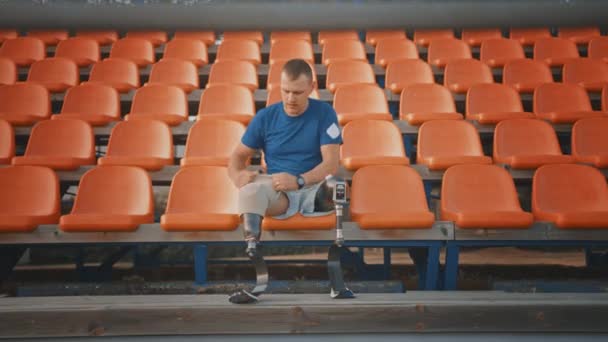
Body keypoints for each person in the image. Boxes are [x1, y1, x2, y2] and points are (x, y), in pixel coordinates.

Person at [227, 58, 342, 302]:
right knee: (249, 191)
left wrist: (299, 181)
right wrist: (238, 176)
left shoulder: (325, 113)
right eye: (286, 91)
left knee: (335, 185)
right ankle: (254, 252)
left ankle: (338, 278)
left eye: (298, 92)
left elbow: (331, 163)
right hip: (279, 192)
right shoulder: (265, 117)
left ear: (311, 88)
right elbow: (236, 157)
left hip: (313, 189)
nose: (291, 99)